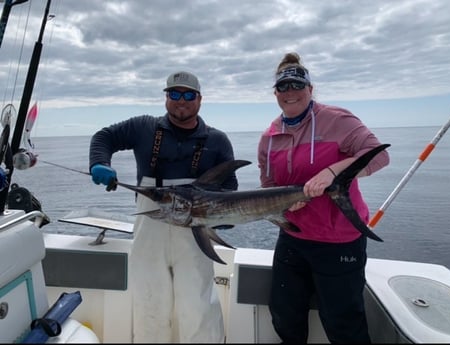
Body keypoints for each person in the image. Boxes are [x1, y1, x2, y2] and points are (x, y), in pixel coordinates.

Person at [88, 71, 238, 343]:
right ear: (166, 98)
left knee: (198, 306)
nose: (182, 100)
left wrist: (220, 216)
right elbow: (104, 137)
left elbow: (229, 188)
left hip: (194, 233)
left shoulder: (217, 141)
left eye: (188, 94)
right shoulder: (143, 127)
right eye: (175, 94)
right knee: (149, 305)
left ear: (200, 99)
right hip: (150, 230)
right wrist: (100, 162)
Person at [258, 52, 390, 343]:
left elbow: (379, 156)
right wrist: (281, 203)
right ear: (276, 93)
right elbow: (268, 185)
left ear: (310, 89)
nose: (290, 93)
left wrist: (333, 171)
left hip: (339, 241)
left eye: (297, 85)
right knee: (284, 314)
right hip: (292, 239)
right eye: (283, 87)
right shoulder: (269, 137)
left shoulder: (337, 120)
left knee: (343, 323)